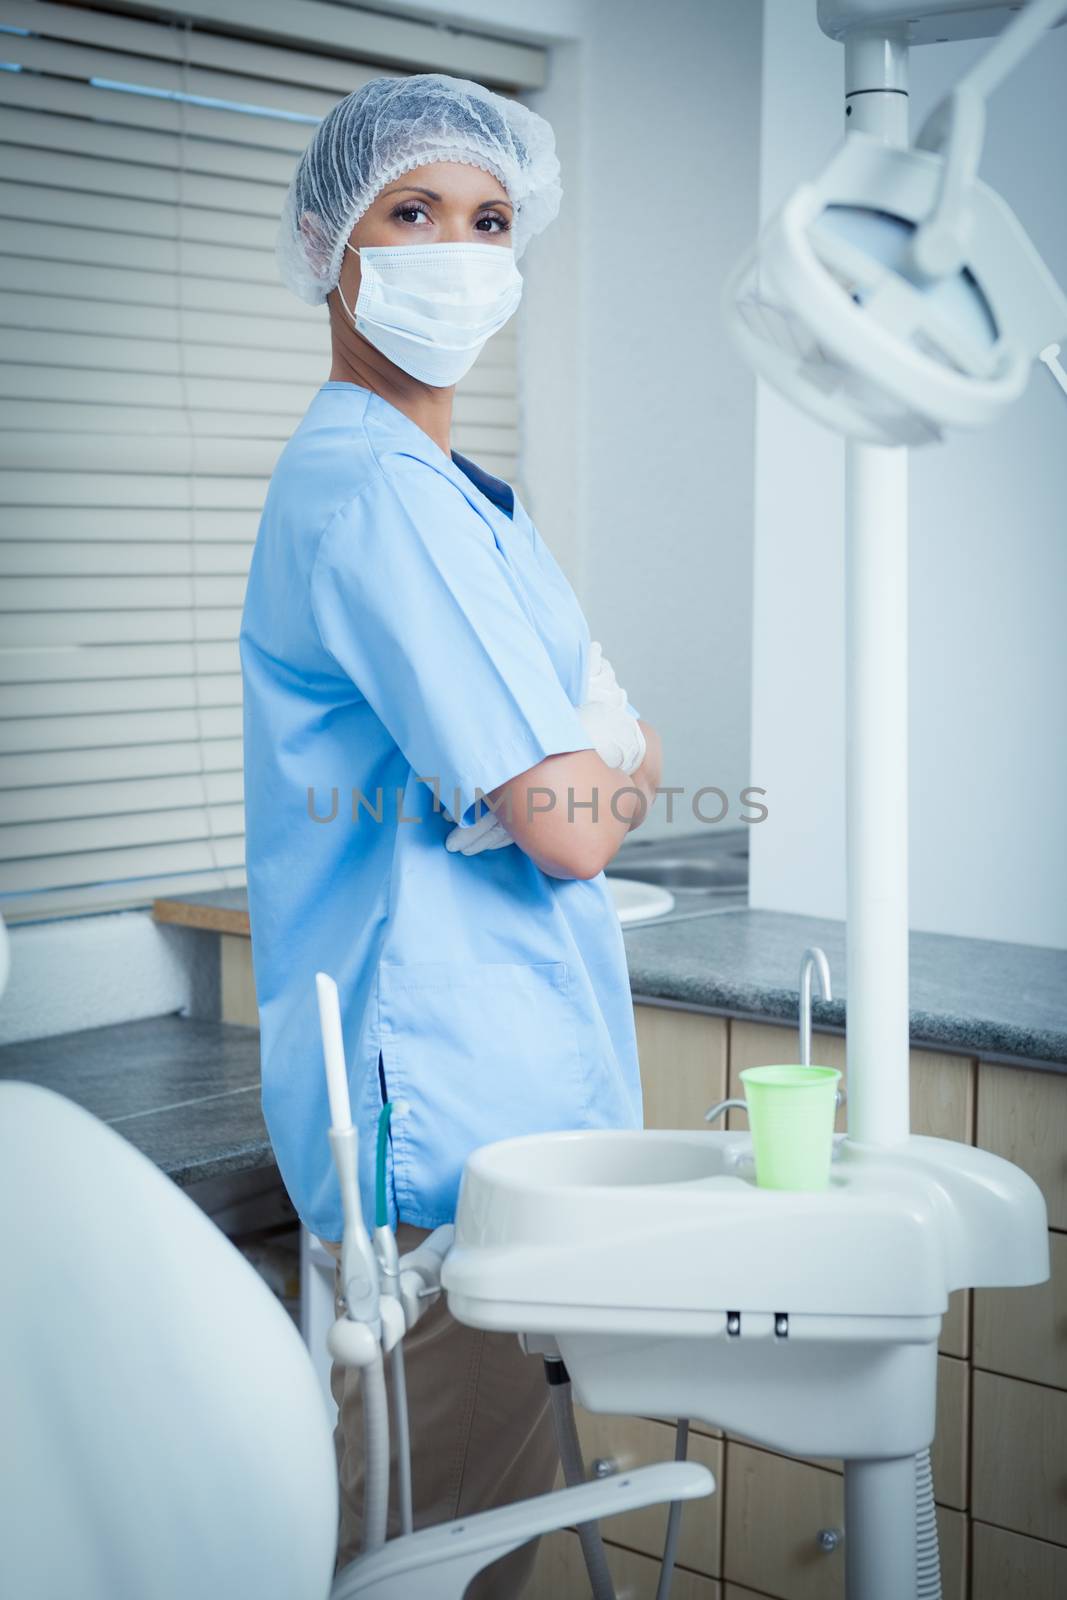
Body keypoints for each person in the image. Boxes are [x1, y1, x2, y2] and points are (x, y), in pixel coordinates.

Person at [239, 72, 663, 1596]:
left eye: (490, 218)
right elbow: (573, 815)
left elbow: (580, 774)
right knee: (424, 1560)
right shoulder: (376, 492)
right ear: (325, 248)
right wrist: (603, 765)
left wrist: (590, 767)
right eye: (410, 212)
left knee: (484, 1540)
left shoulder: (455, 491)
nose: (460, 249)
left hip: (493, 1102)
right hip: (428, 1140)